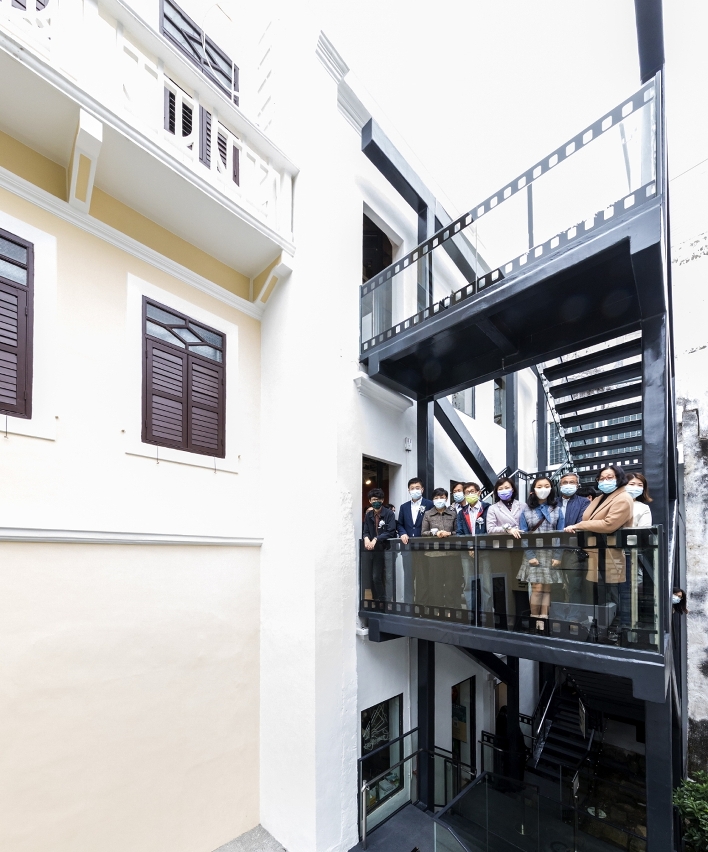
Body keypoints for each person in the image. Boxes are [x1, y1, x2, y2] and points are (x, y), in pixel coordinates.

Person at [564, 465, 634, 621]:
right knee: (597, 595)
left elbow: (609, 524)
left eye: (609, 477)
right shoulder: (600, 498)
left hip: (609, 554)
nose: (605, 481)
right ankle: (598, 625)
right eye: (601, 478)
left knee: (610, 595)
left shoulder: (623, 498)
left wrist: (579, 525)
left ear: (619, 478)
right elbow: (590, 518)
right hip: (594, 553)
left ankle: (614, 627)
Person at [516, 477, 565, 626]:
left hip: (551, 553)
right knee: (537, 588)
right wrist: (530, 555)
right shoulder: (526, 510)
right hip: (533, 553)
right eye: (539, 486)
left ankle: (544, 619)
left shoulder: (557, 509)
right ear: (533, 490)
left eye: (546, 486)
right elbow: (523, 535)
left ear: (551, 489)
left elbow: (561, 535)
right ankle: (534, 619)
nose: (543, 489)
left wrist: (558, 555)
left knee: (547, 589)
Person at [484, 479, 523, 628]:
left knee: (519, 586)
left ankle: (520, 623)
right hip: (499, 551)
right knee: (500, 587)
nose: (504, 490)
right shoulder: (493, 508)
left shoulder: (523, 505)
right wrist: (507, 529)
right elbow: (490, 529)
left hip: (519, 550)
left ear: (513, 489)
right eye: (500, 488)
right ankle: (502, 624)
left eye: (507, 487)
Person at [421, 489, 461, 608]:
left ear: (446, 499)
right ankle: (437, 610)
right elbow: (423, 532)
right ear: (433, 500)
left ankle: (450, 610)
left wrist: (449, 534)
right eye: (436, 498)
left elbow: (458, 531)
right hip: (434, 554)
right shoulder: (428, 514)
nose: (439, 500)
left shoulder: (453, 514)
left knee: (451, 584)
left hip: (451, 554)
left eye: (442, 497)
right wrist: (435, 533)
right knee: (435, 584)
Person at [397, 478, 434, 604]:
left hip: (423, 546)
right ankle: (409, 606)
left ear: (422, 489)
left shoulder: (429, 504)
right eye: (412, 488)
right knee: (408, 577)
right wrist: (402, 533)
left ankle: (422, 605)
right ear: (408, 490)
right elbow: (400, 524)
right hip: (407, 547)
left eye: (417, 488)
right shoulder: (404, 507)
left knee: (422, 577)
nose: (415, 490)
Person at [557, 472, 591, 604]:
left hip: (573, 549)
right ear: (560, 485)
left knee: (574, 585)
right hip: (554, 548)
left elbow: (580, 523)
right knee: (555, 585)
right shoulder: (553, 502)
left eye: (572, 482)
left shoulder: (584, 502)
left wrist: (568, 528)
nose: (568, 485)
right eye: (565, 483)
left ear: (578, 485)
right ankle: (558, 613)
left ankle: (574, 613)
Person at [456, 481, 490, 611]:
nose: (470, 494)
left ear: (479, 492)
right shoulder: (462, 512)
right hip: (467, 553)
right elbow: (459, 533)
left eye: (472, 491)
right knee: (469, 585)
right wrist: (470, 547)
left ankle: (486, 615)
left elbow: (489, 531)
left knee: (486, 585)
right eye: (467, 492)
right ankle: (472, 614)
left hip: (485, 552)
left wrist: (477, 547)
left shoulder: (487, 509)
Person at [362, 488, 397, 601]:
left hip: (388, 548)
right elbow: (366, 530)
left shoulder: (389, 513)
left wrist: (376, 539)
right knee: (376, 576)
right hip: (375, 550)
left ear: (382, 500)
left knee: (389, 576)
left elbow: (390, 531)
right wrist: (366, 539)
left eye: (378, 499)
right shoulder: (369, 515)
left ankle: (390, 600)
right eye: (373, 500)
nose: (376, 502)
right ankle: (381, 599)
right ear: (370, 501)